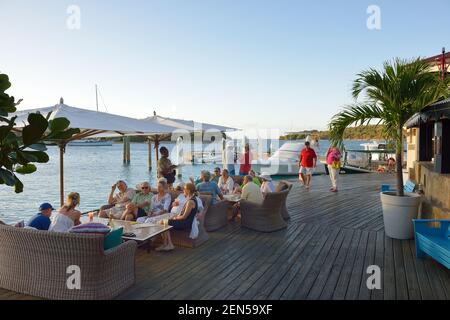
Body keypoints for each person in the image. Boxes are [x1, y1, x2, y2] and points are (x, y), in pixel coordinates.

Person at [156, 183, 199, 252]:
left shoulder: (190, 202)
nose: (183, 191)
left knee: (163, 222)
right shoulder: (191, 199)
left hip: (185, 223)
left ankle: (168, 244)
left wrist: (174, 218)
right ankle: (166, 244)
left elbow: (184, 217)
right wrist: (175, 217)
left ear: (188, 190)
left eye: (184, 189)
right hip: (183, 221)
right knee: (163, 221)